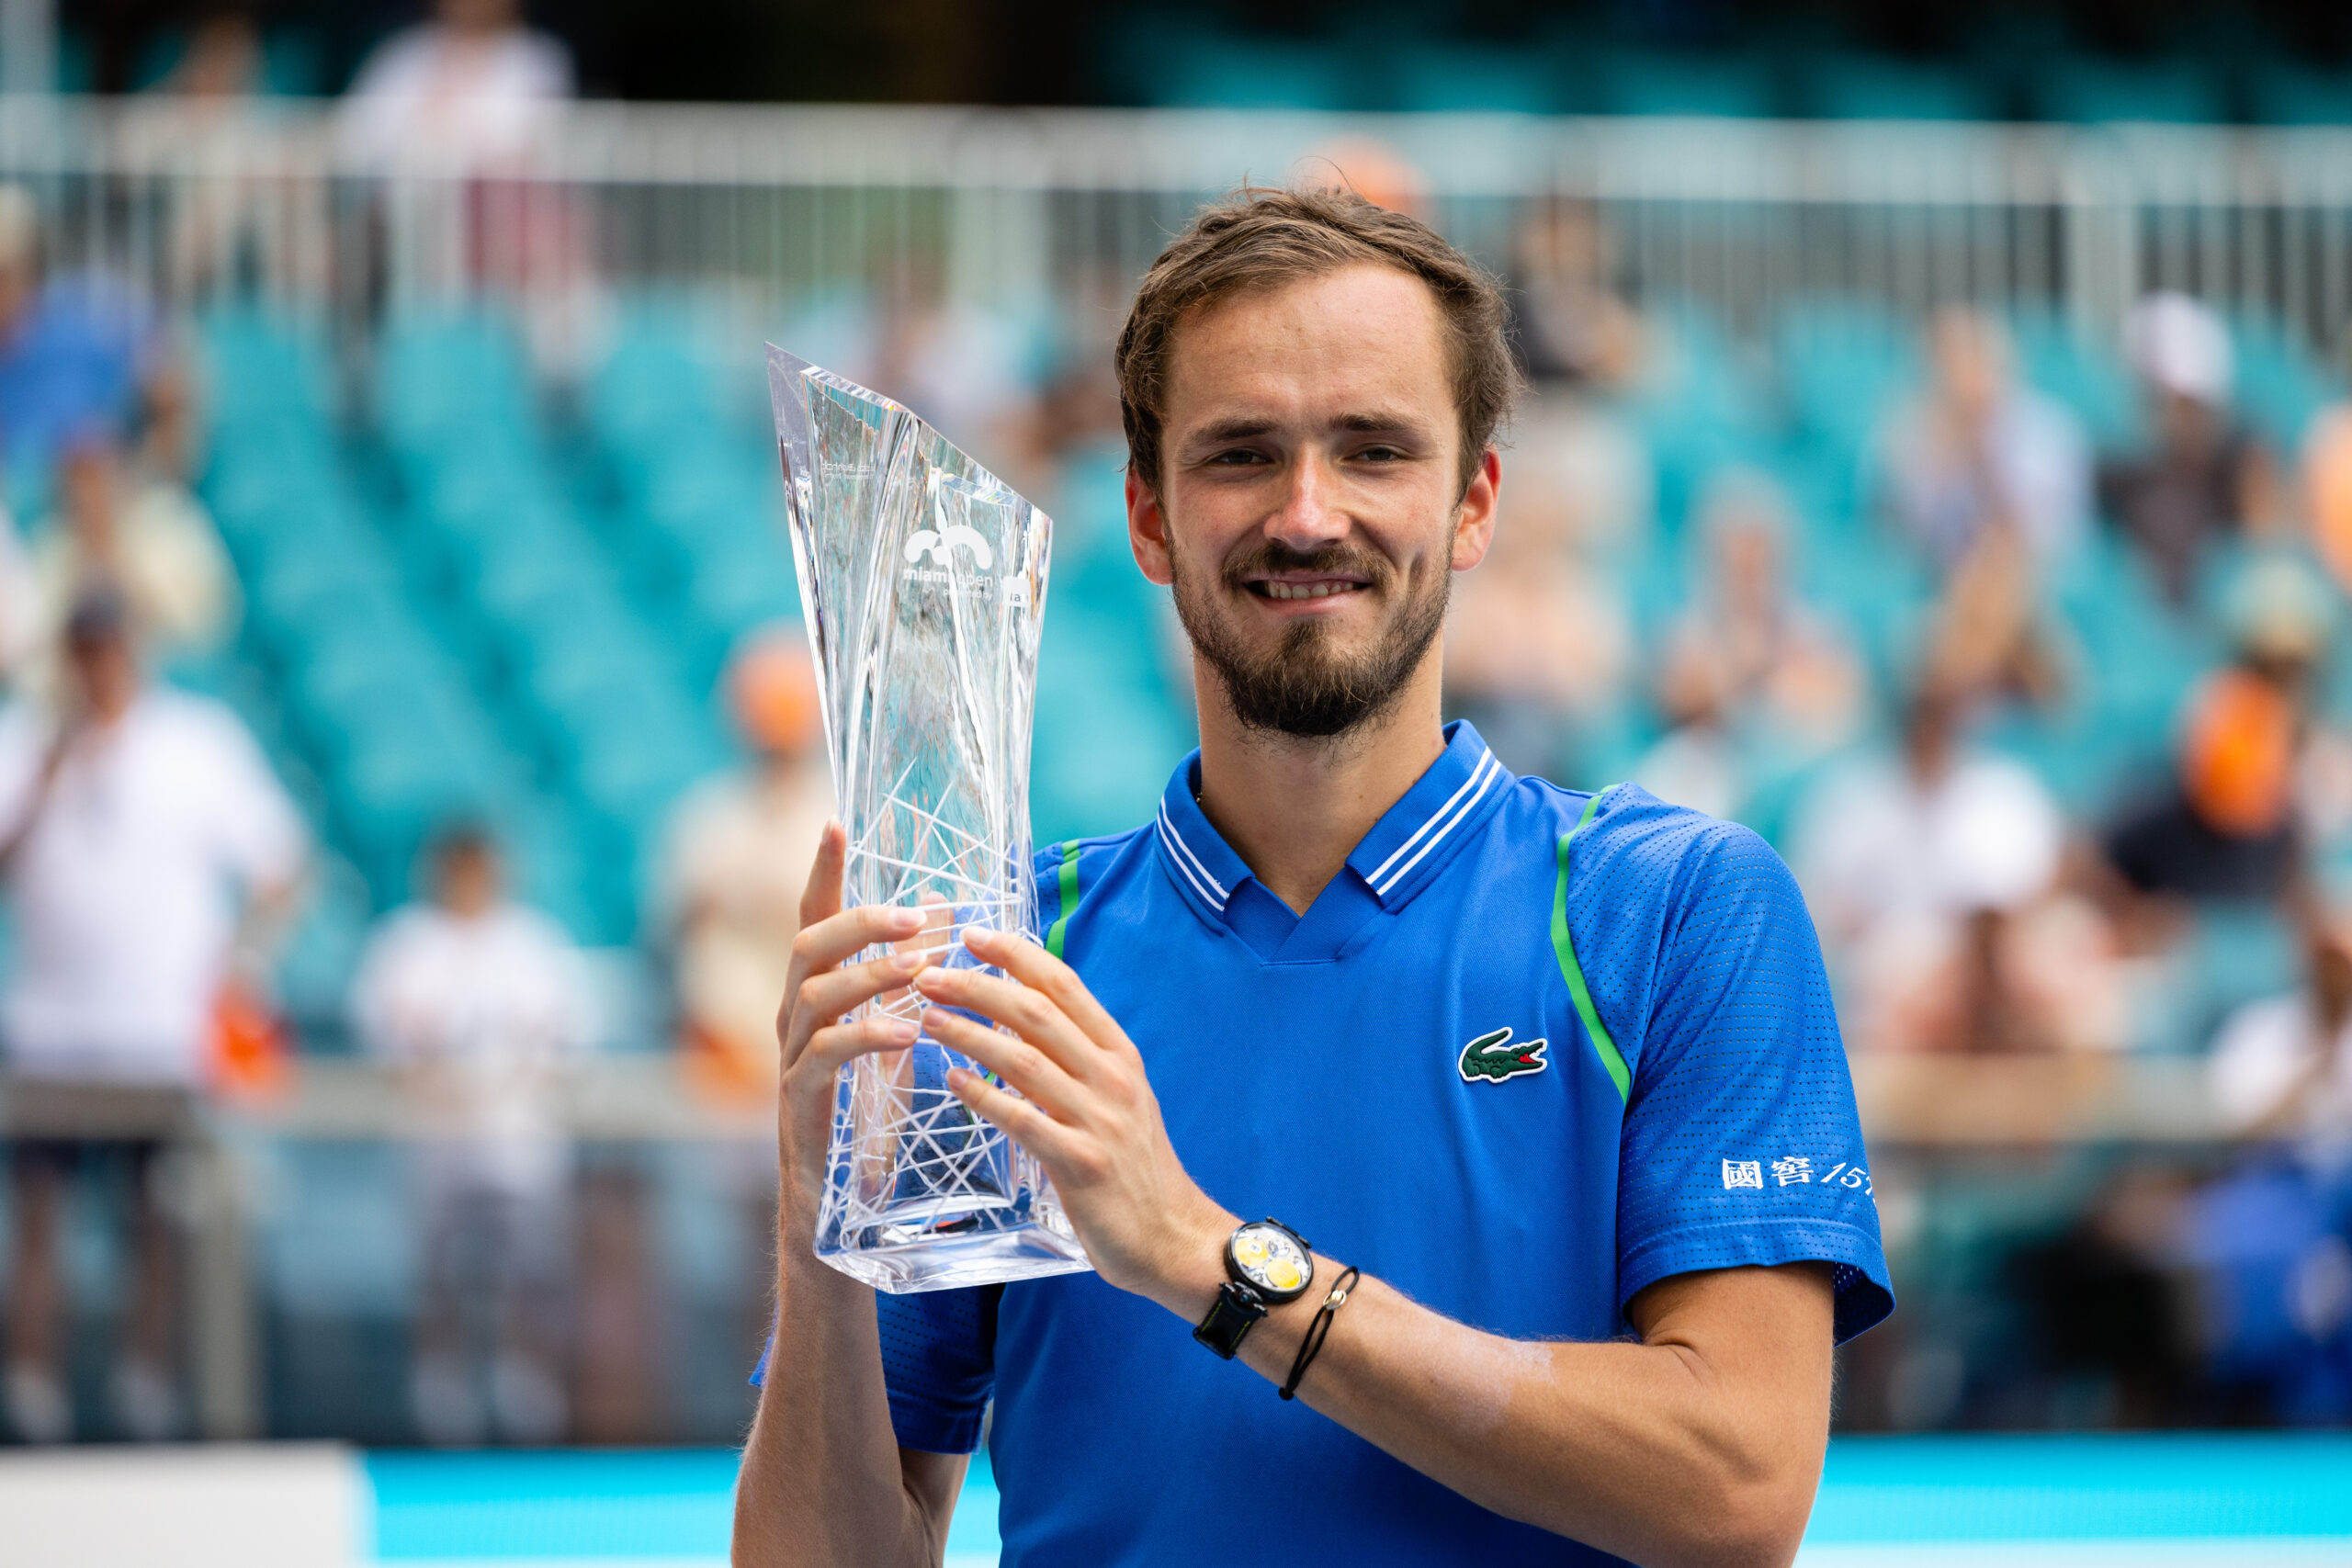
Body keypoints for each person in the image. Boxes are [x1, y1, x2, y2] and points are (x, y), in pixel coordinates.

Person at [735, 188, 1891, 1566]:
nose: (1305, 513)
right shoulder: (999, 967)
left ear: (1473, 502)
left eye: (1373, 448)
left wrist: (1205, 1257)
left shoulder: (1677, 907)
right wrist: (817, 1222)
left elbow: (1740, 1487)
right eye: (1240, 453)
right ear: (1150, 518)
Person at [0, 590, 305, 1442]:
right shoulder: (24, 742)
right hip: (51, 1030)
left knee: (157, 1219)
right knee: (38, 1218)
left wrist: (238, 969)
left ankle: (149, 1387)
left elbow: (279, 865)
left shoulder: (194, 745)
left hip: (157, 1032)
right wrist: (49, 775)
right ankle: (32, 1389)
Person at [350, 821, 593, 1445]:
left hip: (517, 1141)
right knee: (437, 1270)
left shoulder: (533, 944)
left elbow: (566, 1044)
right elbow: (387, 1044)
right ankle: (441, 1389)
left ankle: (526, 1384)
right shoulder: (405, 945)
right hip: (433, 1140)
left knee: (526, 1267)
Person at [659, 631, 834, 1097]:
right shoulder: (709, 821)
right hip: (722, 1058)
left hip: (820, 1051)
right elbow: (671, 938)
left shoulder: (839, 816)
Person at [1879, 305, 2089, 572]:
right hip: (1944, 578)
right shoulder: (1910, 430)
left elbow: (2038, 534)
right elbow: (1908, 538)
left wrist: (1980, 454)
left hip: (2037, 574)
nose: (1961, 375)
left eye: (1972, 358)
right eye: (1948, 362)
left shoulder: (2047, 429)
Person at [28, 434, 237, 689]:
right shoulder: (51, 556)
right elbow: (37, 668)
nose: (89, 498)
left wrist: (124, 570)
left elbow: (211, 619)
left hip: (173, 683)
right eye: (78, 489)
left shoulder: (165, 519)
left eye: (98, 480)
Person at [2099, 292, 2264, 607]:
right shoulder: (2112, 481)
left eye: (2195, 405)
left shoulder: (2241, 463)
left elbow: (2268, 554)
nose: (2187, 418)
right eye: (2175, 403)